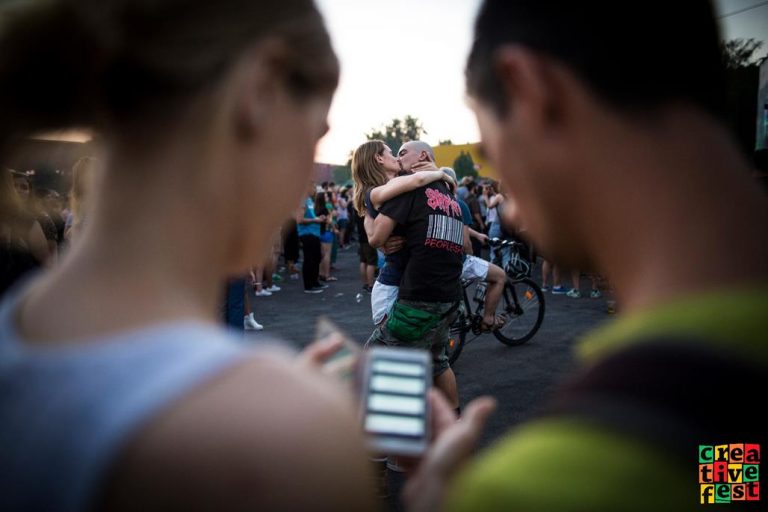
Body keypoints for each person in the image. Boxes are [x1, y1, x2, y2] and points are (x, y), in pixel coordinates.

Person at [0, 1, 377, 510]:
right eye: (315, 135)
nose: (304, 183)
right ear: (261, 88)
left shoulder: (18, 327)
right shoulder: (280, 438)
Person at [407, 1, 768, 510]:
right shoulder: (716, 395)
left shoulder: (536, 487)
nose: (510, 210)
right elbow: (732, 489)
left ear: (532, 91)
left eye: (493, 150)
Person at [365, 141, 465, 415]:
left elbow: (376, 236)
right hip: (449, 297)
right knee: (438, 363)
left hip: (418, 299)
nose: (398, 158)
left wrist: (381, 241)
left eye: (402, 153)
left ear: (422, 155)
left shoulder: (411, 188)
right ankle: (453, 424)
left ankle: (394, 437)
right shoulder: (449, 194)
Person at [350, 139, 450, 325]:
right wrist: (442, 174)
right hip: (391, 285)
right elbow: (418, 180)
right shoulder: (377, 191)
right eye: (390, 152)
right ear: (379, 158)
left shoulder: (396, 186)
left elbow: (369, 223)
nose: (396, 157)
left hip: (412, 281)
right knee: (391, 340)